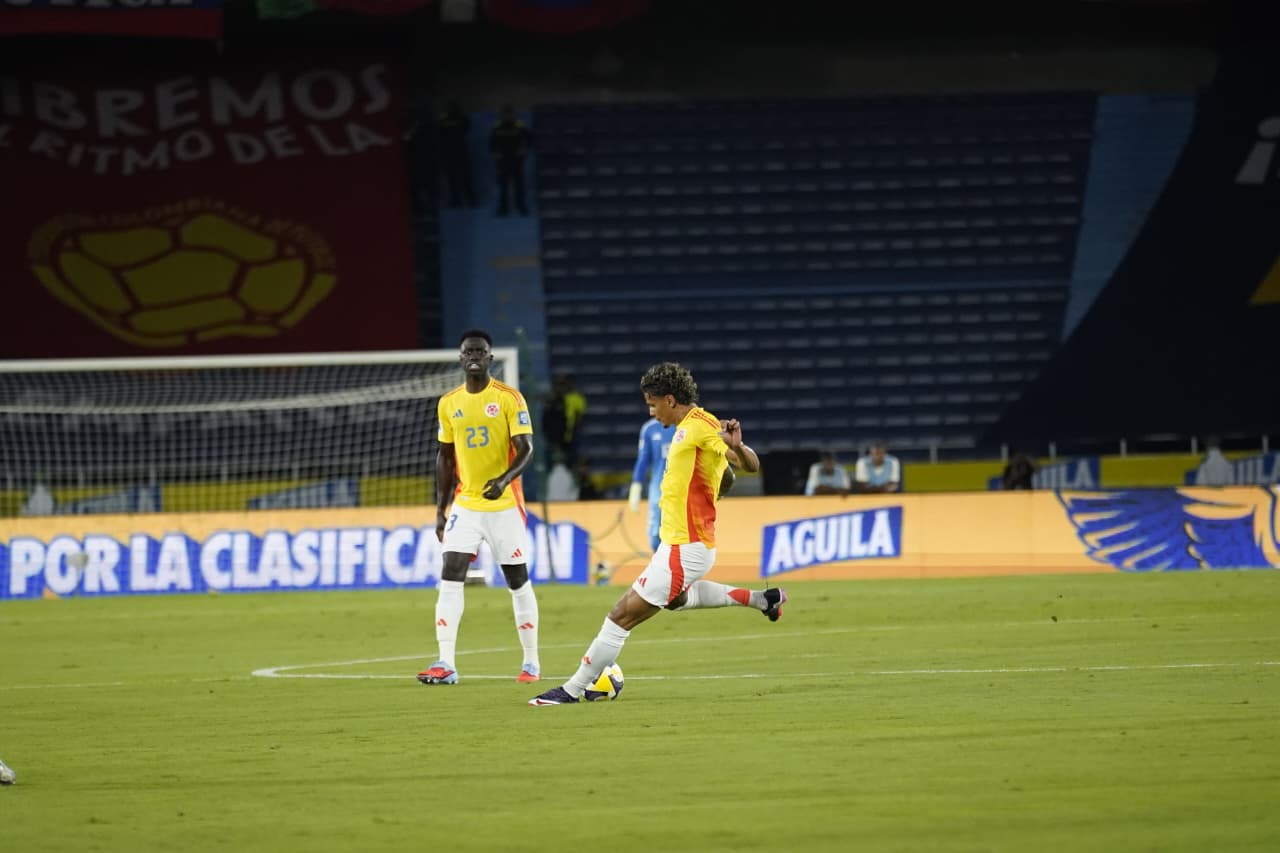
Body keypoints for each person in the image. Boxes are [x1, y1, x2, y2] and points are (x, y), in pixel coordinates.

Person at [529, 362, 786, 706]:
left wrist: (738, 448)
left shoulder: (701, 425)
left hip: (687, 546)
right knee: (676, 599)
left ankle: (571, 690)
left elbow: (748, 465)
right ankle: (762, 600)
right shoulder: (684, 429)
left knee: (622, 615)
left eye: (652, 404)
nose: (650, 411)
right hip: (679, 543)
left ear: (670, 399)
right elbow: (725, 476)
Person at [418, 329, 542, 686]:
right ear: (460, 358)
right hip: (467, 504)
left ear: (489, 358)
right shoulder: (448, 403)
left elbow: (527, 449)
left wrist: (503, 480)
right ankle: (445, 662)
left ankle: (531, 662)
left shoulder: (509, 398)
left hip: (504, 504)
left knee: (517, 580)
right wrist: (441, 510)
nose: (474, 355)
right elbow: (444, 458)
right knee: (450, 573)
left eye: (481, 351)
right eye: (468, 351)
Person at [628, 405, 675, 550]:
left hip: (682, 490)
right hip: (659, 491)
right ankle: (660, 567)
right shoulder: (649, 429)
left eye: (654, 405)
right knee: (656, 536)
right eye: (649, 405)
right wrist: (636, 485)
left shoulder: (683, 426)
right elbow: (643, 460)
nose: (651, 410)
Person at [490, 104, 533, 216]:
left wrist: (524, 150)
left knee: (519, 185)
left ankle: (521, 207)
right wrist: (495, 152)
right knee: (503, 186)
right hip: (502, 161)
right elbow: (491, 142)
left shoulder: (519, 125)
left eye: (510, 114)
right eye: (505, 114)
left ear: (513, 115)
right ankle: (503, 209)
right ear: (502, 115)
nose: (507, 116)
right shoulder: (497, 126)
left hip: (516, 160)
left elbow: (529, 139)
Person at [541, 372, 587, 467]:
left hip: (569, 436)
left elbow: (580, 416)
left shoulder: (576, 398)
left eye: (563, 385)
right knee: (551, 462)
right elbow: (546, 418)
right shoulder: (553, 400)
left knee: (570, 462)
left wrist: (573, 428)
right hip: (552, 437)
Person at [438, 100, 476, 208]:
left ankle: (470, 199)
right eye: (450, 109)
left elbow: (467, 126)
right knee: (452, 178)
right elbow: (440, 134)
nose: (451, 110)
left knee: (465, 177)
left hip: (460, 151)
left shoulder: (461, 118)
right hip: (449, 152)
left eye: (453, 108)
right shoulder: (444, 120)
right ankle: (456, 200)